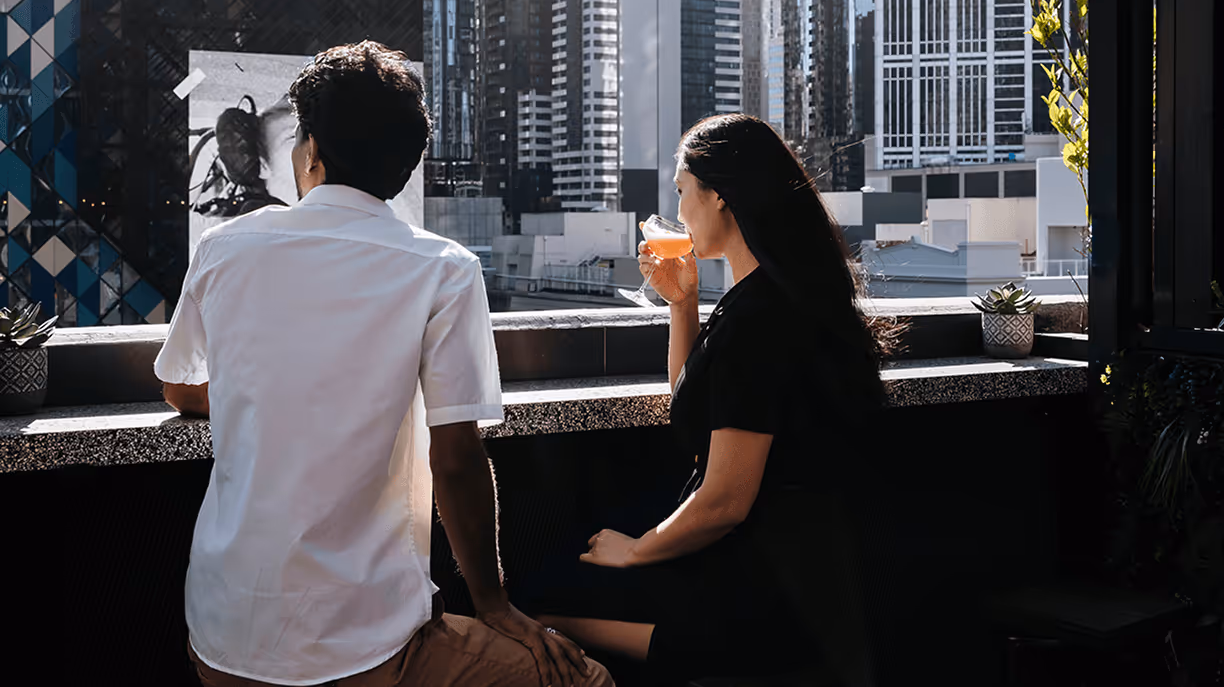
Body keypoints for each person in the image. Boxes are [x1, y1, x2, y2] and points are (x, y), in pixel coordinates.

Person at [155, 41, 611, 687]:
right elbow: (456, 457)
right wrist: (492, 604)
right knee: (587, 681)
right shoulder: (442, 268)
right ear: (403, 167)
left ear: (310, 152)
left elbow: (180, 385)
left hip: (223, 638)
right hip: (368, 648)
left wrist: (253, 390)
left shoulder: (224, 248)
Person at [530, 114, 889, 685]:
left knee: (533, 613)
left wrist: (638, 550)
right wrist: (682, 302)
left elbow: (725, 501)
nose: (678, 209)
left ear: (719, 195)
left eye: (682, 192)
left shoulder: (760, 320)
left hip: (742, 604)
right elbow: (698, 404)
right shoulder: (768, 299)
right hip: (788, 584)